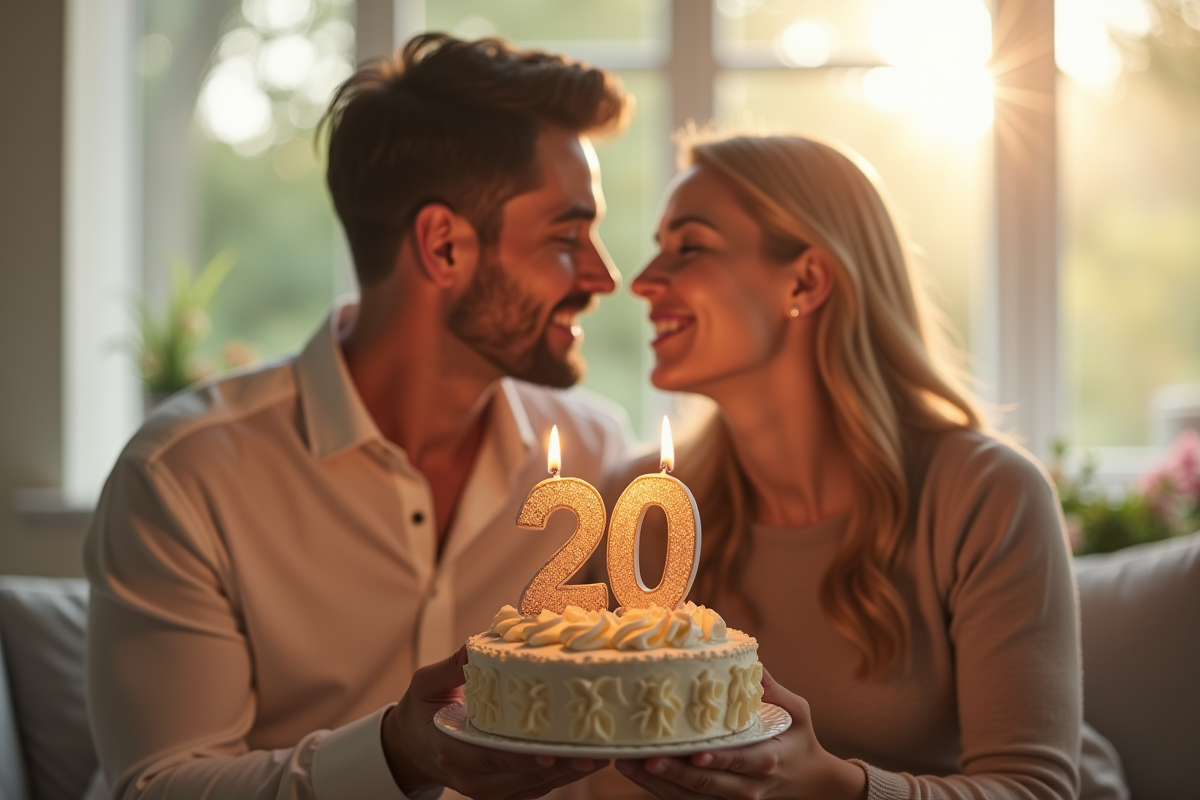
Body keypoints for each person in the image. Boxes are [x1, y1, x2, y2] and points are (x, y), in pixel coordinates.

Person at [85, 34, 635, 800]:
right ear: (444, 246)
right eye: (566, 236)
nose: (605, 275)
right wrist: (393, 756)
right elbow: (156, 788)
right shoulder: (185, 475)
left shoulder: (595, 454)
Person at [610, 133, 1128, 800]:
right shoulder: (643, 506)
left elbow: (1035, 790)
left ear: (806, 280)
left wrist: (829, 784)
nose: (644, 280)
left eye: (690, 248)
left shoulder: (987, 495)